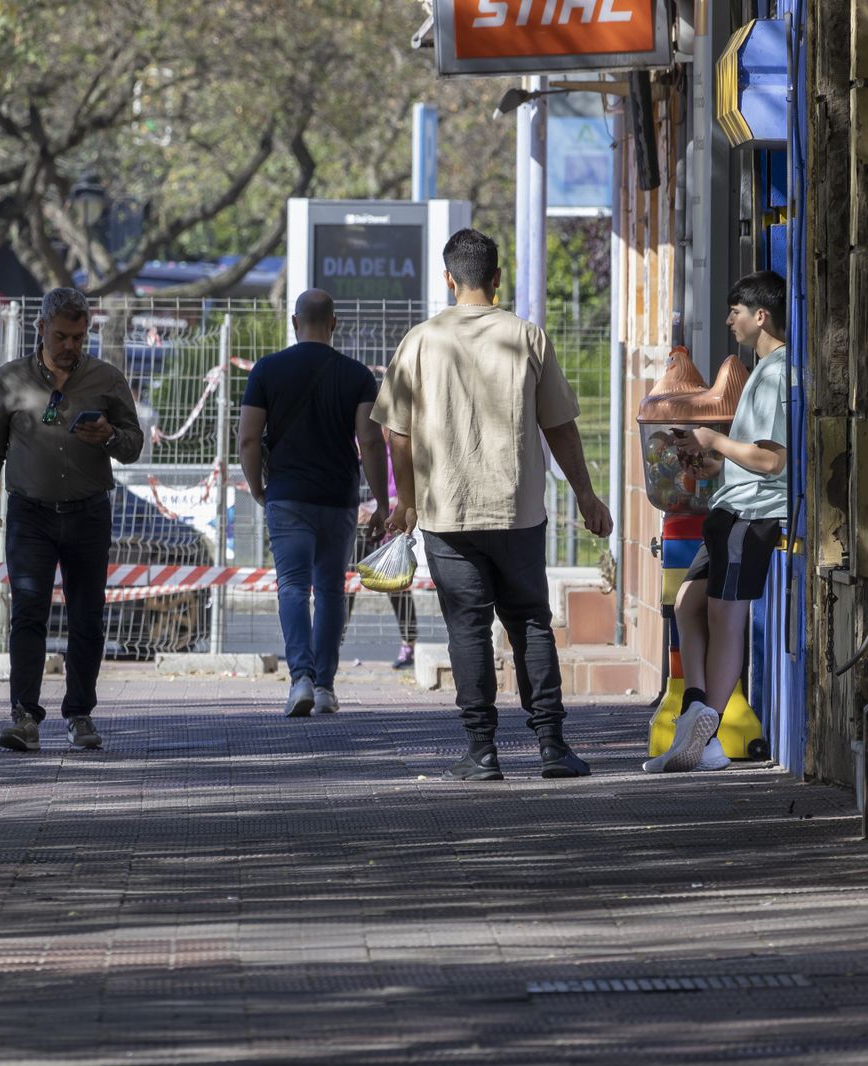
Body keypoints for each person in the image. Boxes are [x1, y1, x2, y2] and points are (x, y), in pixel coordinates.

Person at [372, 228, 613, 780]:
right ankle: (552, 745)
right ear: (498, 278)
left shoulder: (420, 342)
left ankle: (481, 751)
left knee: (468, 628)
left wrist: (406, 504)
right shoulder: (528, 337)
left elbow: (397, 435)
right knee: (530, 621)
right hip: (517, 511)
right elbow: (561, 428)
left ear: (449, 279)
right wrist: (586, 494)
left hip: (446, 514)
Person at [0, 287, 143, 753]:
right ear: (41, 329)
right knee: (28, 612)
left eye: (79, 337)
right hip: (31, 514)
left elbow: (132, 445)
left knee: (88, 616)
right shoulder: (11, 379)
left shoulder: (106, 379)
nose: (70, 346)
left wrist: (108, 434)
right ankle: (24, 716)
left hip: (88, 512)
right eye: (61, 336)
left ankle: (80, 714)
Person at [644, 269, 791, 774]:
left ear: (761, 315)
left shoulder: (778, 374)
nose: (729, 320)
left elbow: (774, 461)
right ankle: (695, 721)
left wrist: (713, 440)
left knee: (726, 618)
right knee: (687, 603)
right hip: (732, 508)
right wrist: (709, 461)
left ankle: (706, 729)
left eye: (736, 311)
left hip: (753, 515)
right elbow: (751, 456)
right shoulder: (761, 371)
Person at [239, 289, 389, 716]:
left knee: (291, 587)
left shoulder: (267, 370)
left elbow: (248, 438)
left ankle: (299, 678)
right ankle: (325, 686)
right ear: (334, 323)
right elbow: (371, 442)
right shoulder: (358, 375)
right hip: (338, 498)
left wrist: (257, 488)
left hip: (287, 496)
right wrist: (380, 501)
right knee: (329, 591)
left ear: (294, 322)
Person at [344, 449, 418, 670]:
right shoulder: (355, 448)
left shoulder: (395, 452)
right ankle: (332, 645)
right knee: (344, 587)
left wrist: (377, 509)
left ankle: (409, 645)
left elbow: (404, 493)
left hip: (387, 528)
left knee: (398, 586)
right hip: (354, 528)